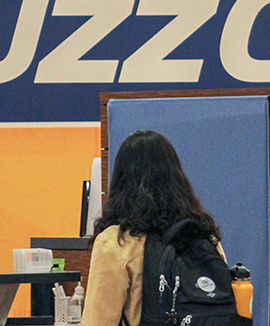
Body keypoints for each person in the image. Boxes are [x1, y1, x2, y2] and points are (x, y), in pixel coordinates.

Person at [81, 130, 223, 326]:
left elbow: (98, 321)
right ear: (177, 177)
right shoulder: (202, 235)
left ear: (121, 180)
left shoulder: (116, 242)